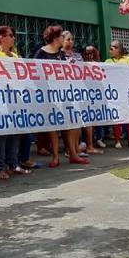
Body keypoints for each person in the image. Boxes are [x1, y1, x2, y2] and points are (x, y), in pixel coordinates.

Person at [32, 25, 88, 167]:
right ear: (56, 37)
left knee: (69, 124)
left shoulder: (60, 54)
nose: (64, 39)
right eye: (62, 36)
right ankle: (56, 156)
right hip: (49, 95)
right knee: (54, 126)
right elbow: (34, 72)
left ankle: (73, 154)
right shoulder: (41, 53)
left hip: (63, 95)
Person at [0, 26, 34, 178]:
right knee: (2, 135)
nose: (13, 38)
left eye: (13, 35)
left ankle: (13, 164)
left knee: (16, 134)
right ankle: (0, 167)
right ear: (1, 37)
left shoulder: (15, 56)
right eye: (10, 35)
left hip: (16, 99)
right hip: (2, 100)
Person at [105, 40, 129, 148]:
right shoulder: (107, 61)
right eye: (110, 47)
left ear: (120, 49)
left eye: (114, 47)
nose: (111, 49)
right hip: (114, 93)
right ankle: (117, 141)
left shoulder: (128, 59)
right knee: (116, 118)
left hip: (126, 92)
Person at [80, 46, 104, 155]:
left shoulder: (98, 64)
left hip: (95, 95)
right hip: (84, 95)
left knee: (92, 121)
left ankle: (91, 143)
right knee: (87, 121)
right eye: (87, 53)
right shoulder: (81, 63)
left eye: (92, 52)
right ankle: (87, 145)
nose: (90, 55)